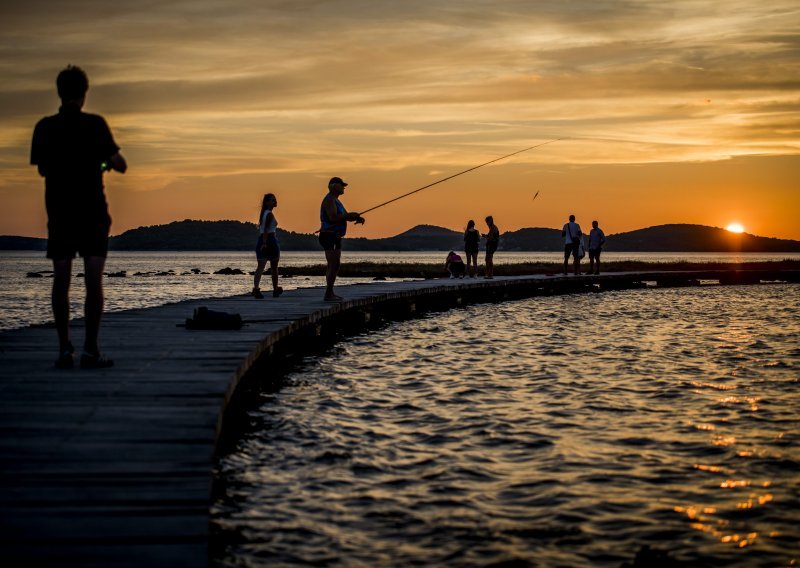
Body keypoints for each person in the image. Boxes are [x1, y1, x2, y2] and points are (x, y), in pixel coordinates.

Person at [30, 65, 127, 369]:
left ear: (59, 92)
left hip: (59, 211)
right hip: (92, 212)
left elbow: (43, 169)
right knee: (93, 280)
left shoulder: (44, 127)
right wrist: (99, 163)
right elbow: (120, 163)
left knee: (61, 280)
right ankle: (91, 349)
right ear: (84, 93)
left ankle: (63, 350)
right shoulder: (95, 125)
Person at [319, 176, 365, 301]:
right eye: (341, 185)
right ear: (333, 186)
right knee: (333, 264)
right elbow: (333, 217)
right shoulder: (329, 200)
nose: (344, 187)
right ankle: (328, 294)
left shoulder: (336, 200)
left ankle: (330, 293)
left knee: (335, 264)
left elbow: (345, 216)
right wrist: (349, 215)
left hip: (335, 236)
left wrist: (356, 217)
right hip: (329, 235)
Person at [253, 193, 283, 298]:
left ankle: (256, 289)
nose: (275, 201)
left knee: (260, 267)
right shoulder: (269, 214)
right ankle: (275, 289)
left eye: (275, 199)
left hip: (262, 239)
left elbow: (263, 229)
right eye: (272, 200)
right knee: (274, 267)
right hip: (269, 240)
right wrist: (265, 243)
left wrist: (263, 242)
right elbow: (266, 229)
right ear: (267, 202)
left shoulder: (264, 213)